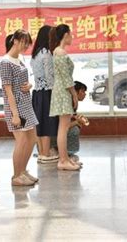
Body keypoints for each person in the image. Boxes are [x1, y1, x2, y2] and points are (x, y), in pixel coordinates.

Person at [0, 30, 39, 186]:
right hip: (15, 107)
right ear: (14, 41)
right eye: (23, 42)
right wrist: (14, 114)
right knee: (21, 140)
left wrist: (29, 85)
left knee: (32, 138)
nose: (25, 46)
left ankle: (22, 170)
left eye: (27, 43)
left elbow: (23, 81)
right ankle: (16, 175)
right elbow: (7, 89)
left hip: (26, 104)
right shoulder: (5, 62)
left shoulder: (20, 59)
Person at [49, 24, 81, 171]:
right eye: (71, 34)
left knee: (64, 126)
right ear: (66, 35)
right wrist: (74, 94)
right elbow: (66, 78)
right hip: (63, 92)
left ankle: (66, 159)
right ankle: (63, 160)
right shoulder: (60, 52)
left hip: (61, 91)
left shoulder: (58, 52)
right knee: (63, 127)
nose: (72, 37)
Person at [30, 25, 59, 163]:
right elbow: (49, 77)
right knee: (47, 123)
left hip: (36, 92)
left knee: (39, 124)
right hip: (46, 92)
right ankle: (46, 154)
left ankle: (42, 153)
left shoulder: (35, 54)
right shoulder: (47, 53)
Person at [50, 81, 88, 160]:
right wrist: (77, 122)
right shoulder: (66, 105)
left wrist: (77, 119)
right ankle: (62, 152)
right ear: (75, 92)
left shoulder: (72, 104)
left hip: (55, 134)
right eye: (83, 91)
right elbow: (62, 127)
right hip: (52, 135)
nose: (85, 94)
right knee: (74, 129)